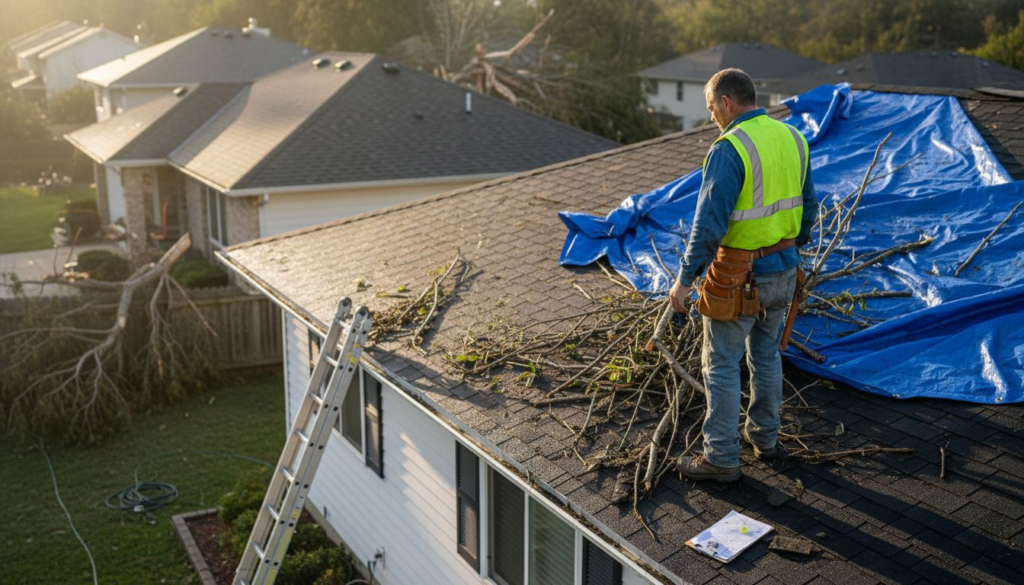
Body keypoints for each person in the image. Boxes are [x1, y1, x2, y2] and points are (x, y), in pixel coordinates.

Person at [668, 68, 817, 483]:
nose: (713, 116)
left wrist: (684, 280)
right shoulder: (794, 138)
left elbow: (709, 224)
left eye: (712, 108)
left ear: (727, 103)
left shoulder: (729, 147)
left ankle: (721, 458)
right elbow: (809, 207)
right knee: (767, 357)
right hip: (785, 272)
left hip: (738, 279)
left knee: (721, 365)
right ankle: (766, 440)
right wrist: (789, 245)